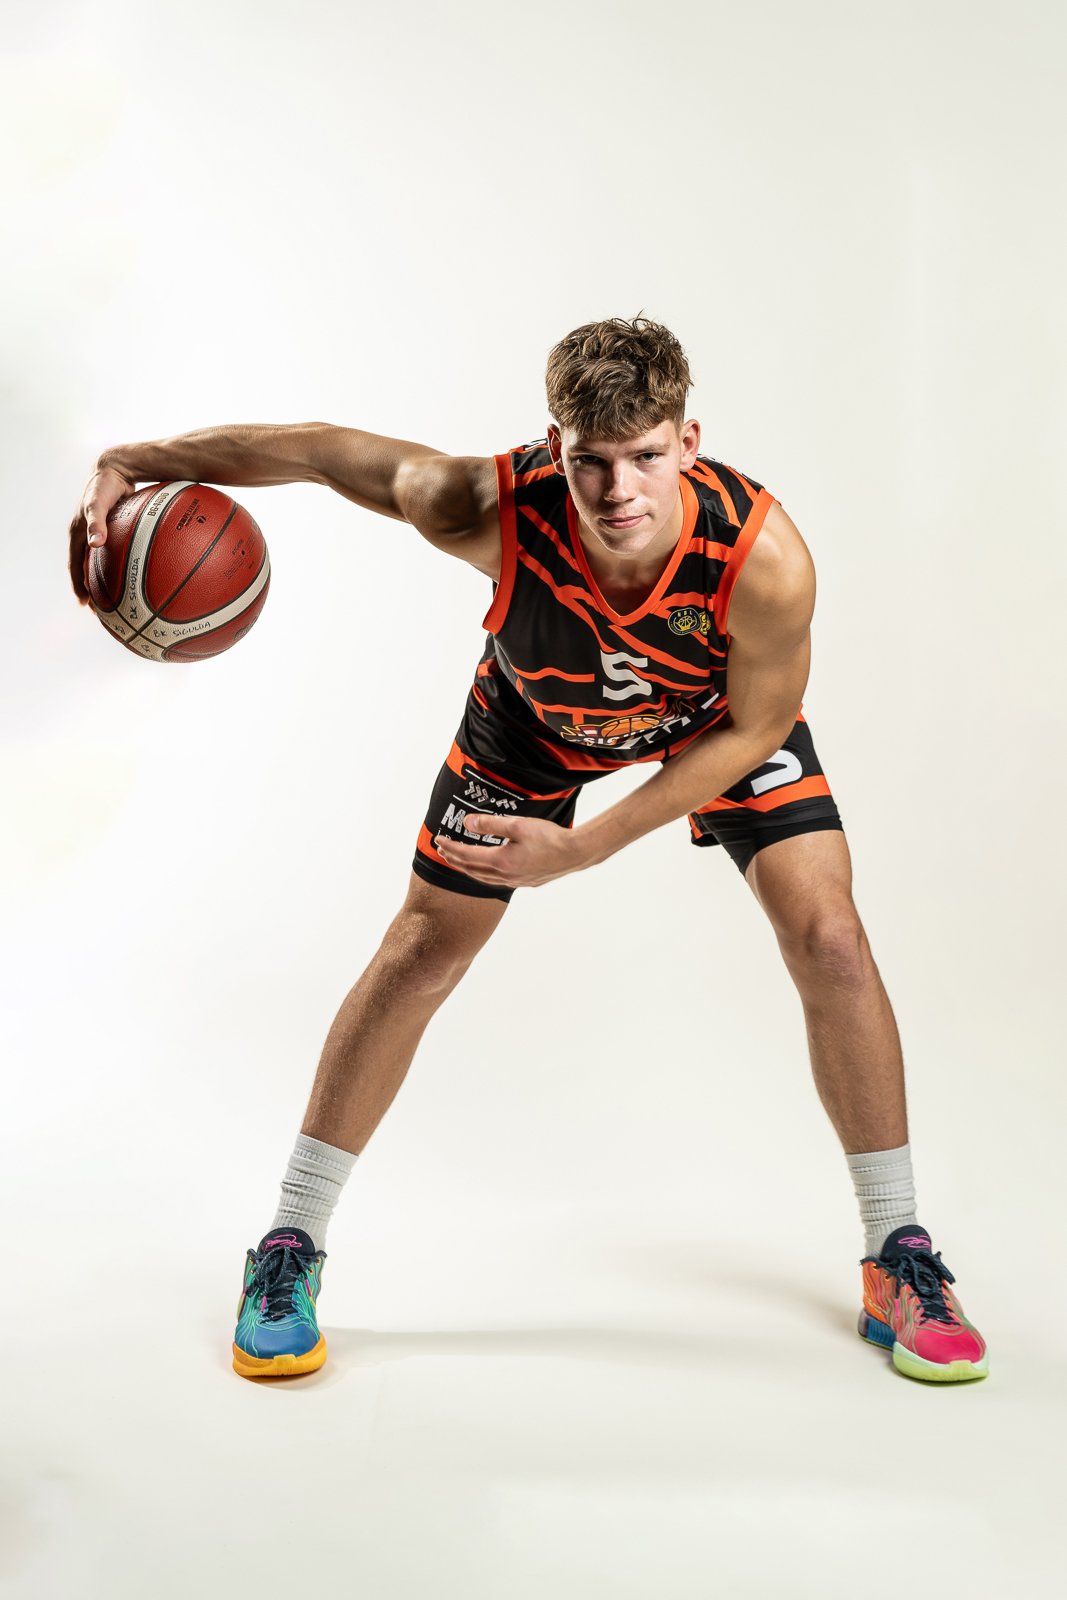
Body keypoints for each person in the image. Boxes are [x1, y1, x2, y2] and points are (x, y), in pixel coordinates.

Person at [68, 316, 987, 1384]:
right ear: (555, 448)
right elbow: (318, 451)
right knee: (423, 950)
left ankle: (896, 1253)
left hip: (710, 722)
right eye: (589, 460)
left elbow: (757, 728)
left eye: (645, 456)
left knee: (829, 937)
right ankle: (289, 1246)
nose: (617, 490)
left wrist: (586, 845)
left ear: (688, 443)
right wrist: (136, 459)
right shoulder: (480, 506)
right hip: (530, 725)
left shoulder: (764, 559)